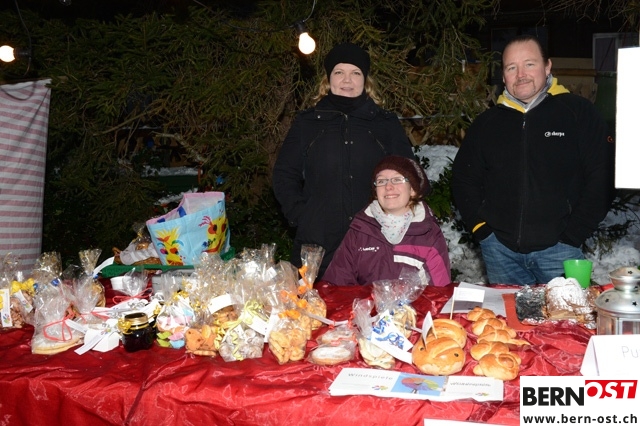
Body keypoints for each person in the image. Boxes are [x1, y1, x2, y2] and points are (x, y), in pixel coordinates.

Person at [451, 34, 615, 285]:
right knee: (506, 312)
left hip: (560, 252)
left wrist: (574, 234)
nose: (521, 74)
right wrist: (481, 230)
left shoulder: (577, 112)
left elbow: (603, 175)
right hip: (500, 254)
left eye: (529, 64)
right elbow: (464, 178)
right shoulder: (487, 124)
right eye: (511, 67)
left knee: (568, 312)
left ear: (547, 66)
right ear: (503, 76)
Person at [272, 42, 415, 279]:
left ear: (365, 80)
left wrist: (393, 216)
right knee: (313, 302)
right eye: (339, 72)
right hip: (317, 245)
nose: (347, 80)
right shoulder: (307, 123)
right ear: (328, 79)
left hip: (374, 241)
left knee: (373, 302)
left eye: (355, 73)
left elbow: (410, 174)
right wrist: (302, 215)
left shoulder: (385, 124)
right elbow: (284, 174)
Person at [323, 155, 451, 287]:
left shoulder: (428, 234)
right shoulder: (360, 229)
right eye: (381, 181)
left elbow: (440, 292)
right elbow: (336, 284)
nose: (388, 186)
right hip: (363, 301)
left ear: (412, 189)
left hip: (415, 301)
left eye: (397, 179)